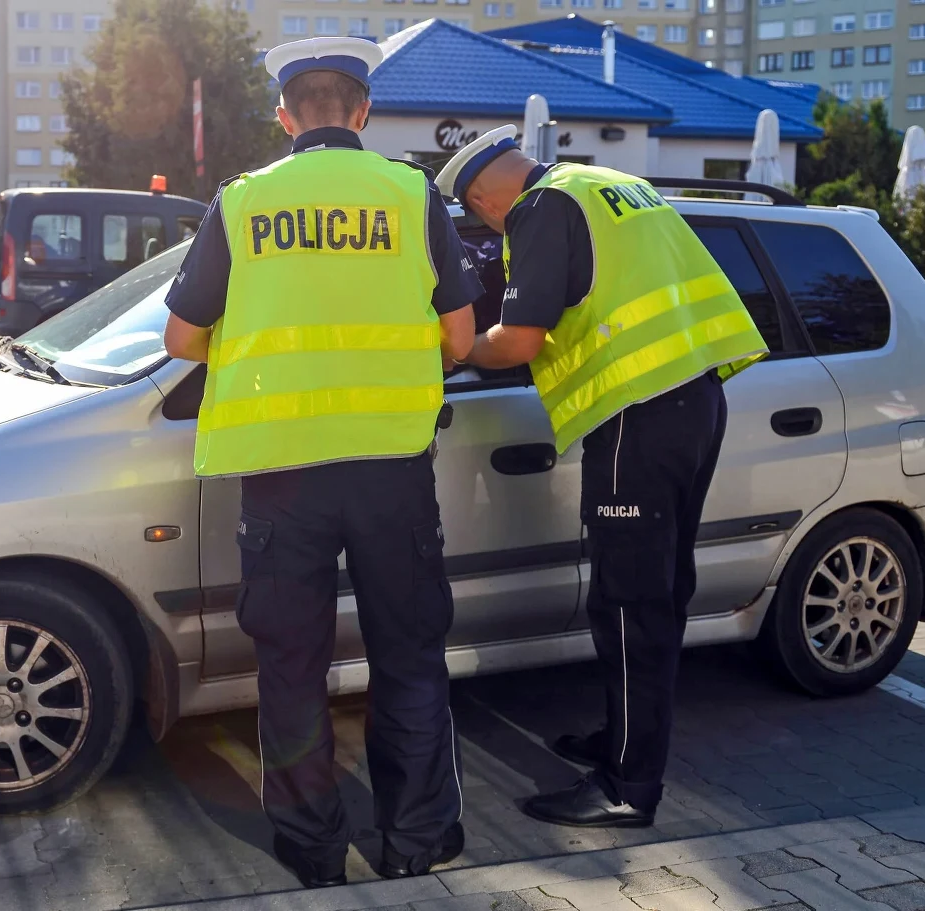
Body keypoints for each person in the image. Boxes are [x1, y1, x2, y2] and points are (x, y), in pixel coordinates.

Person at [163, 37, 482, 888]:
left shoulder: (243, 202)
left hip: (282, 474)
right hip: (391, 468)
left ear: (284, 115)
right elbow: (458, 335)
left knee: (291, 666)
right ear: (363, 111)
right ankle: (415, 841)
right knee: (410, 654)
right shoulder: (411, 194)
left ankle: (310, 848)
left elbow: (182, 336)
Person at [435, 127, 768, 829]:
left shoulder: (540, 208)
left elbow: (521, 338)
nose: (488, 229)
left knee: (627, 605)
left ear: (483, 195)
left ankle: (626, 785)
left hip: (635, 417)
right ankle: (626, 739)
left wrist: (457, 350)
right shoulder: (613, 184)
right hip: (696, 398)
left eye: (477, 215)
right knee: (661, 594)